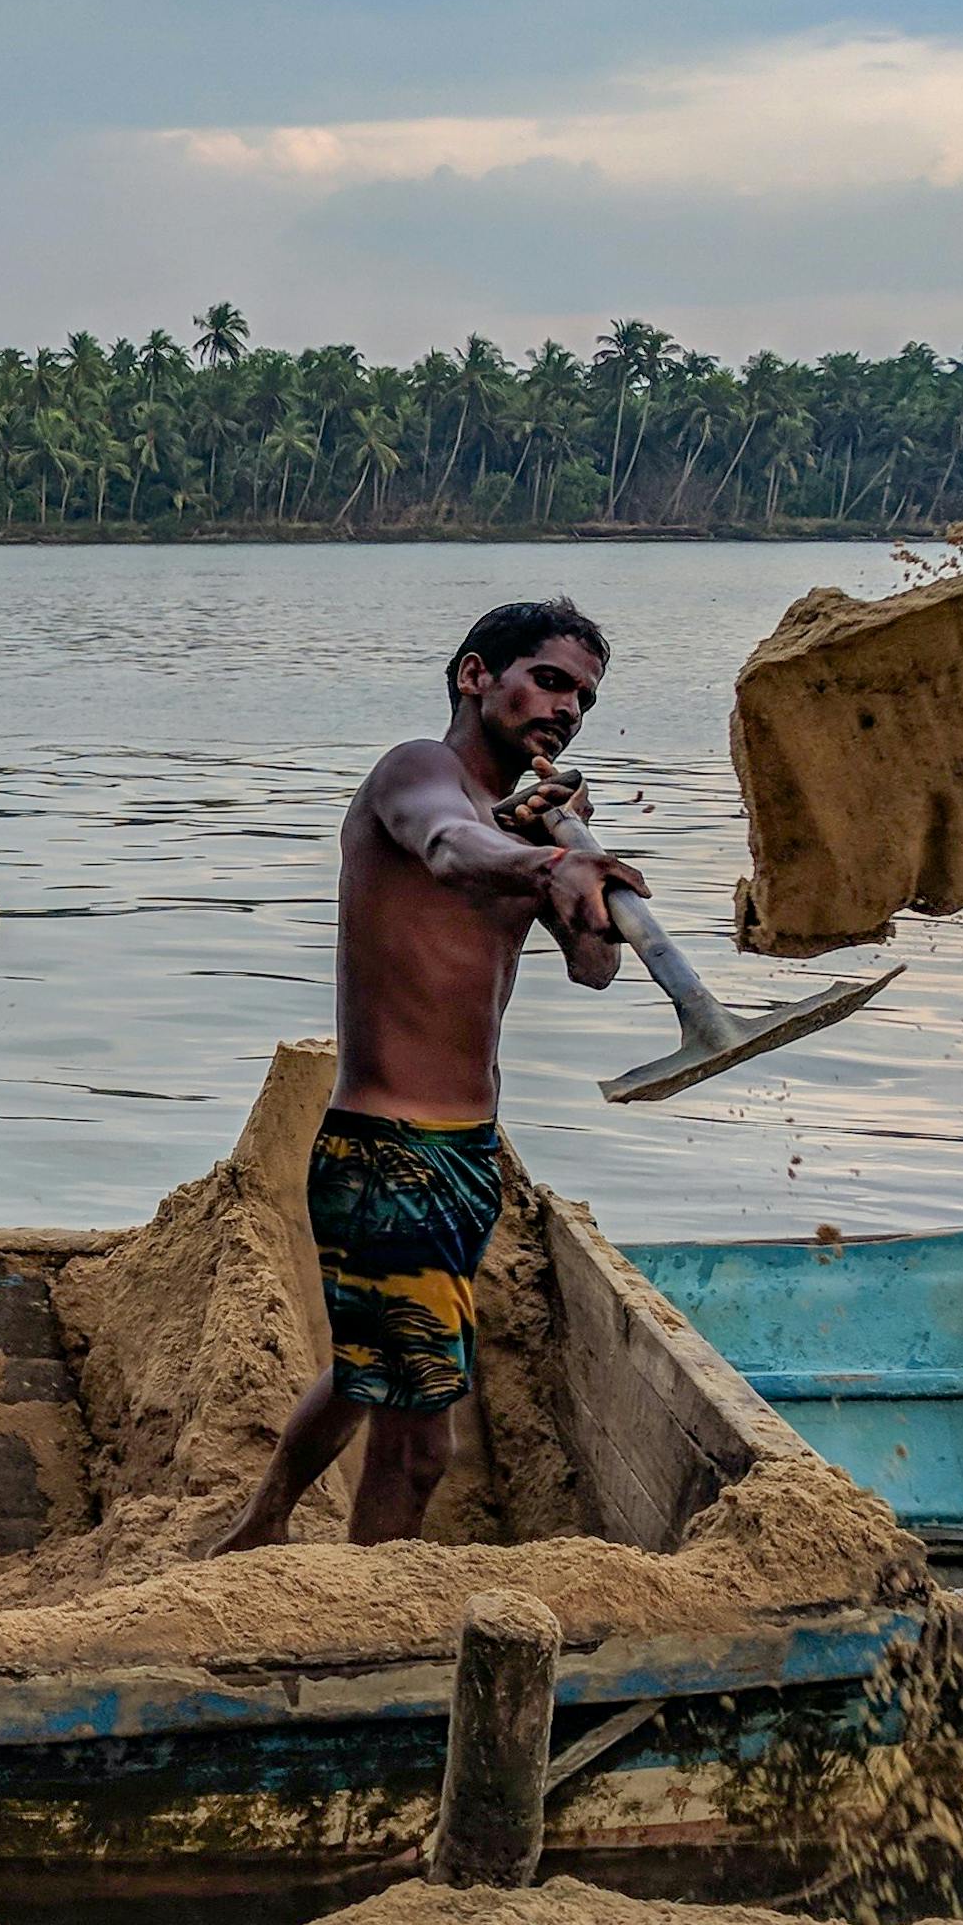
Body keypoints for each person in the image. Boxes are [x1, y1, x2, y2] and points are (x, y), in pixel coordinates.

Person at [216, 598, 649, 1553]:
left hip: (464, 1155)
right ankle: (367, 1627)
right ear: (474, 676)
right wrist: (543, 859)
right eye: (548, 680)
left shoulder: (531, 826)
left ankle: (255, 1532)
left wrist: (582, 867)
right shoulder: (419, 773)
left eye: (583, 695)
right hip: (387, 1155)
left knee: (369, 1365)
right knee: (418, 1447)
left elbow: (592, 968)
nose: (567, 707)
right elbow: (453, 849)